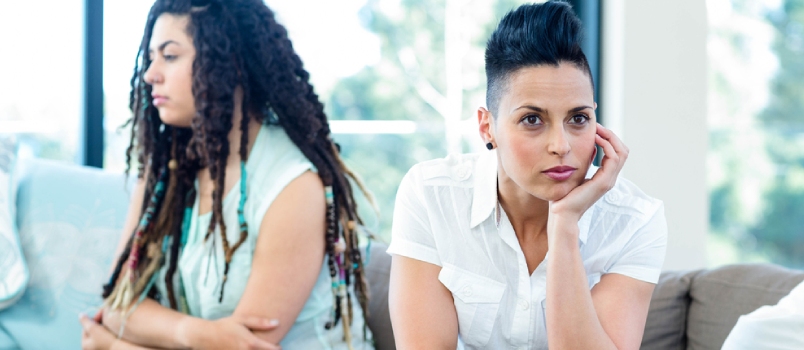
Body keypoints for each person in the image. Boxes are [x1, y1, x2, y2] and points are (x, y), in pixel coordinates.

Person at [77, 0, 372, 349]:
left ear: (228, 63)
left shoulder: (294, 186)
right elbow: (117, 304)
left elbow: (245, 346)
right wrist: (198, 334)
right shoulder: (167, 170)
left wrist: (116, 346)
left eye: (170, 56)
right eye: (151, 57)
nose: (150, 74)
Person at [387, 1, 668, 349]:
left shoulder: (635, 220)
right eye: (532, 119)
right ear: (487, 127)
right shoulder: (431, 195)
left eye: (578, 118)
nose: (560, 145)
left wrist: (565, 223)